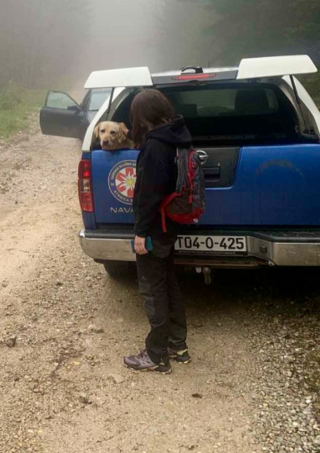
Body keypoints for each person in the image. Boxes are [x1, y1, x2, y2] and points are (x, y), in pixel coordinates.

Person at [124, 89, 191, 374]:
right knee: (168, 285)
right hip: (168, 225)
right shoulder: (176, 137)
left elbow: (148, 194)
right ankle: (178, 345)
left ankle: (156, 355)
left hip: (153, 229)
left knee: (153, 290)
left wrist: (140, 232)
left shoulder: (154, 146)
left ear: (142, 116)